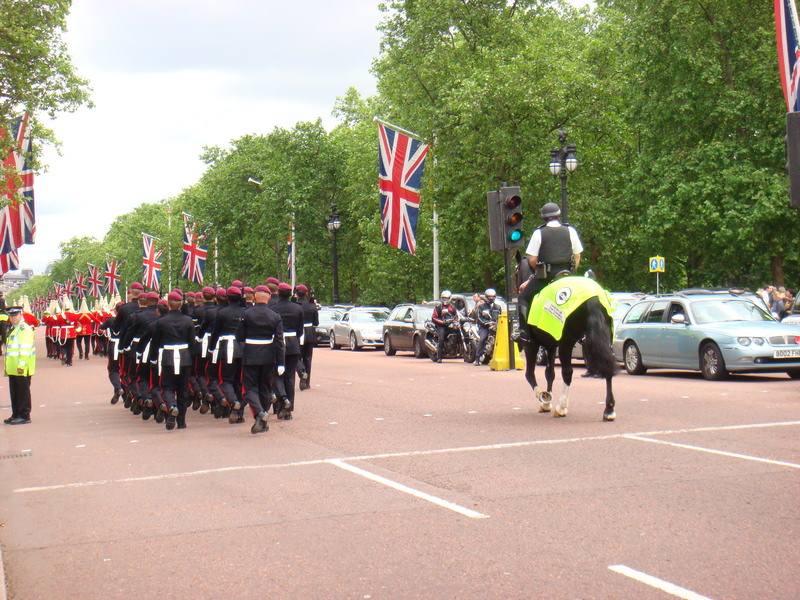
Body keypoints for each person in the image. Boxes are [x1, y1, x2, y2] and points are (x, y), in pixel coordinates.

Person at [516, 202, 583, 338]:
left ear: (544, 218)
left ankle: (524, 333)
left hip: (547, 276)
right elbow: (577, 255)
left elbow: (532, 259)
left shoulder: (539, 233)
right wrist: (572, 271)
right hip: (567, 275)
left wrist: (539, 272)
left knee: (523, 298)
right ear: (559, 216)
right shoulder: (570, 230)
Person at [238, 285, 285, 434]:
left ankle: (259, 413)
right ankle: (263, 419)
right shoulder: (275, 316)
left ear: (255, 296)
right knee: (265, 387)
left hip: (251, 354)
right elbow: (279, 341)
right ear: (269, 297)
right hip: (268, 356)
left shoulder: (246, 314)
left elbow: (239, 336)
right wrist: (281, 362)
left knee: (249, 388)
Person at [151, 291, 196, 430]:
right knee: (182, 390)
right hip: (184, 357)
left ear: (169, 305)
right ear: (180, 304)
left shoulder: (161, 321)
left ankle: (171, 406)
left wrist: (153, 359)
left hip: (168, 356)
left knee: (167, 387)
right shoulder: (188, 320)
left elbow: (156, 342)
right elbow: (192, 342)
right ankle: (181, 422)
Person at [270, 282, 304, 419]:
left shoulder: (273, 308)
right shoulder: (297, 309)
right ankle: (288, 410)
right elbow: (300, 330)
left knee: (277, 375)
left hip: (278, 344)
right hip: (293, 344)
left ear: (278, 293)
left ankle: (280, 403)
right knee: (290, 377)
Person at [3, 306, 36, 425]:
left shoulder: (24, 329)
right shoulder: (14, 328)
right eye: (11, 316)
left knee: (22, 392)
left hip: (21, 367)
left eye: (15, 315)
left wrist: (21, 365)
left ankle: (24, 415)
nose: (13, 318)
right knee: (15, 392)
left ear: (21, 315)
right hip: (13, 367)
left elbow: (25, 349)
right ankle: (16, 413)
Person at [295, 284, 318, 390]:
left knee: (297, 357)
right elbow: (316, 323)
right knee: (307, 358)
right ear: (306, 294)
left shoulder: (294, 305)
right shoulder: (311, 306)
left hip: (297, 333)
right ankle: (306, 381)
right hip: (308, 332)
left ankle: (301, 371)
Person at [473, 288, 501, 365]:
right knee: (482, 339)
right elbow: (479, 317)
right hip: (484, 327)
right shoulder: (481, 307)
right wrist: (487, 323)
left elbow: (501, 317)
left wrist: (497, 323)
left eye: (492, 296)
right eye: (489, 296)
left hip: (496, 327)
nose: (491, 298)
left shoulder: (498, 307)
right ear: (486, 297)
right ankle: (477, 358)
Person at [431, 290, 458, 362]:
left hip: (450, 324)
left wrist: (455, 321)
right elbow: (434, 317)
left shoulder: (452, 307)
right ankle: (439, 357)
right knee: (441, 338)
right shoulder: (438, 307)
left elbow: (456, 316)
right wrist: (442, 322)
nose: (445, 300)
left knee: (457, 332)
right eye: (443, 298)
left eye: (446, 298)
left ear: (449, 298)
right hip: (441, 325)